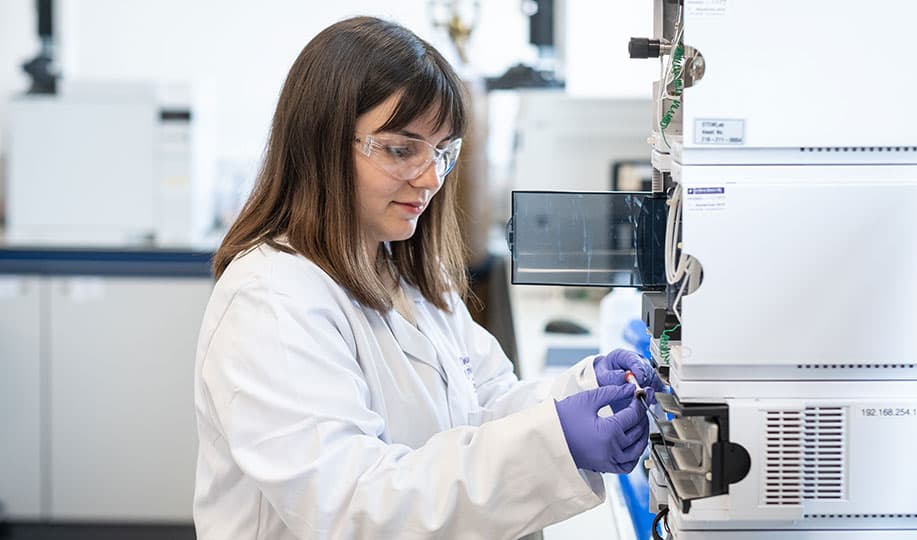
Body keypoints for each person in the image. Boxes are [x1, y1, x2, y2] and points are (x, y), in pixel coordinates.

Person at [193, 16, 663, 540]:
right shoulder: (272, 301)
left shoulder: (406, 271)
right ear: (319, 142)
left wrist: (584, 392)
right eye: (401, 149)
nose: (432, 177)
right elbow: (352, 506)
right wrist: (557, 443)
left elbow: (481, 405)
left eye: (443, 150)